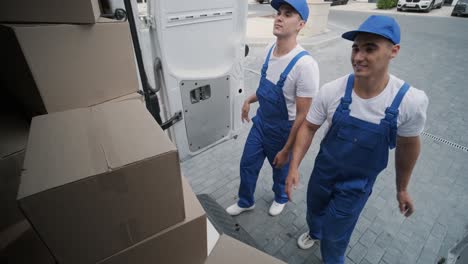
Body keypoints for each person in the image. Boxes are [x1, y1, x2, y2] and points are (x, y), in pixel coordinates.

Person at [285, 15, 429, 263]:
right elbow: (308, 127)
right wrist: (294, 166)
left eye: (370, 48)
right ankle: (314, 231)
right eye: (355, 48)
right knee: (314, 212)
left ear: (394, 51)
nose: (358, 57)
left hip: (356, 185)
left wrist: (402, 188)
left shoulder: (409, 102)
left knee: (336, 235)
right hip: (323, 173)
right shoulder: (332, 91)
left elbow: (408, 146)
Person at [226, 0, 320, 217]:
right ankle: (245, 200)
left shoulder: (305, 65)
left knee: (280, 170)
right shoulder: (270, 49)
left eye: (288, 14)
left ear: (301, 24)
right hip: (261, 124)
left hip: (282, 131)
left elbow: (303, 116)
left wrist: (287, 149)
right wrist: (250, 99)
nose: (279, 17)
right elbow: (266, 88)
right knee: (247, 163)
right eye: (278, 12)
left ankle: (281, 197)